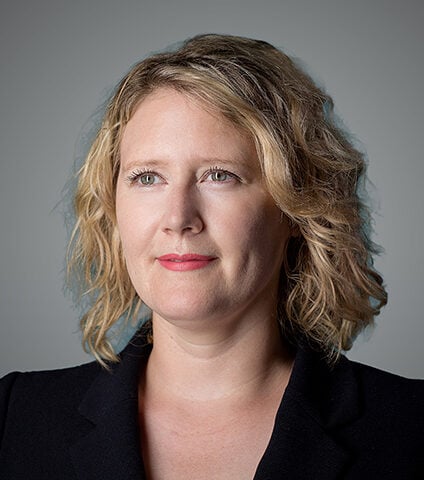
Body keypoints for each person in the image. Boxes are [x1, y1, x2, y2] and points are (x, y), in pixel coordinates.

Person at [0, 34, 422, 479]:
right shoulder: (14, 418)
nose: (178, 218)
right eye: (147, 178)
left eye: (219, 175)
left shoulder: (412, 429)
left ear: (297, 207)